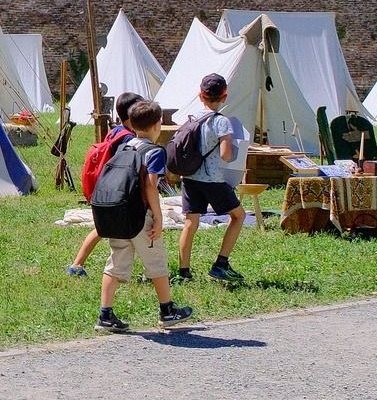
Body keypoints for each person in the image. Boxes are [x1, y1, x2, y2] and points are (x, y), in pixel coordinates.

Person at [94, 103, 194, 333]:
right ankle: (167, 310)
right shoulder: (154, 151)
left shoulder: (124, 146)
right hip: (141, 216)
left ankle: (105, 314)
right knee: (156, 262)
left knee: (115, 264)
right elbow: (150, 185)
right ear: (157, 124)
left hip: (118, 213)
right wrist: (158, 218)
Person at [175, 73, 245, 284]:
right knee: (238, 216)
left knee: (190, 222)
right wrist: (235, 151)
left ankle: (184, 271)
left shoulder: (191, 117)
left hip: (190, 177)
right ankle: (221, 264)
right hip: (213, 179)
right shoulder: (222, 122)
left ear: (200, 95)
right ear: (224, 97)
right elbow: (225, 155)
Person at [69, 92, 144, 278]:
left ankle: (77, 264)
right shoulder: (128, 139)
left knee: (102, 228)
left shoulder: (116, 130)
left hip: (106, 187)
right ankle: (151, 270)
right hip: (118, 190)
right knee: (136, 230)